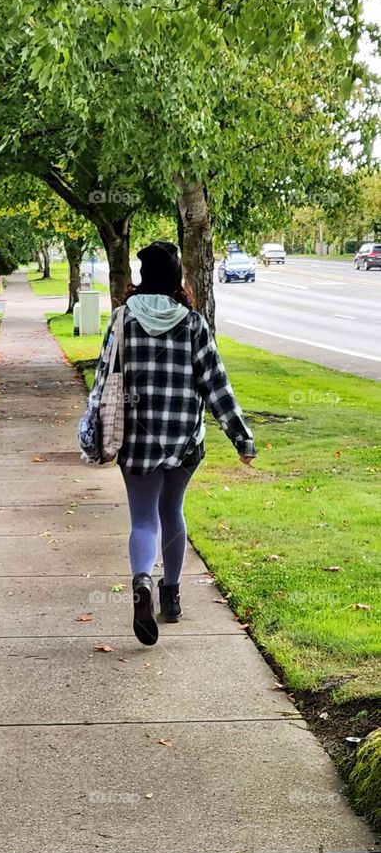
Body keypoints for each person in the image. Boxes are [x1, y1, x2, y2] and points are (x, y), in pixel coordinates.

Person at [91, 240, 257, 645]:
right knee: (173, 511)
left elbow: (102, 379)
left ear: (143, 277)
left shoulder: (120, 320)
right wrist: (241, 437)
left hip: (135, 440)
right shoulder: (193, 323)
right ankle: (172, 597)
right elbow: (216, 385)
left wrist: (94, 428)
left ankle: (142, 580)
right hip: (183, 441)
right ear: (176, 277)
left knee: (143, 518)